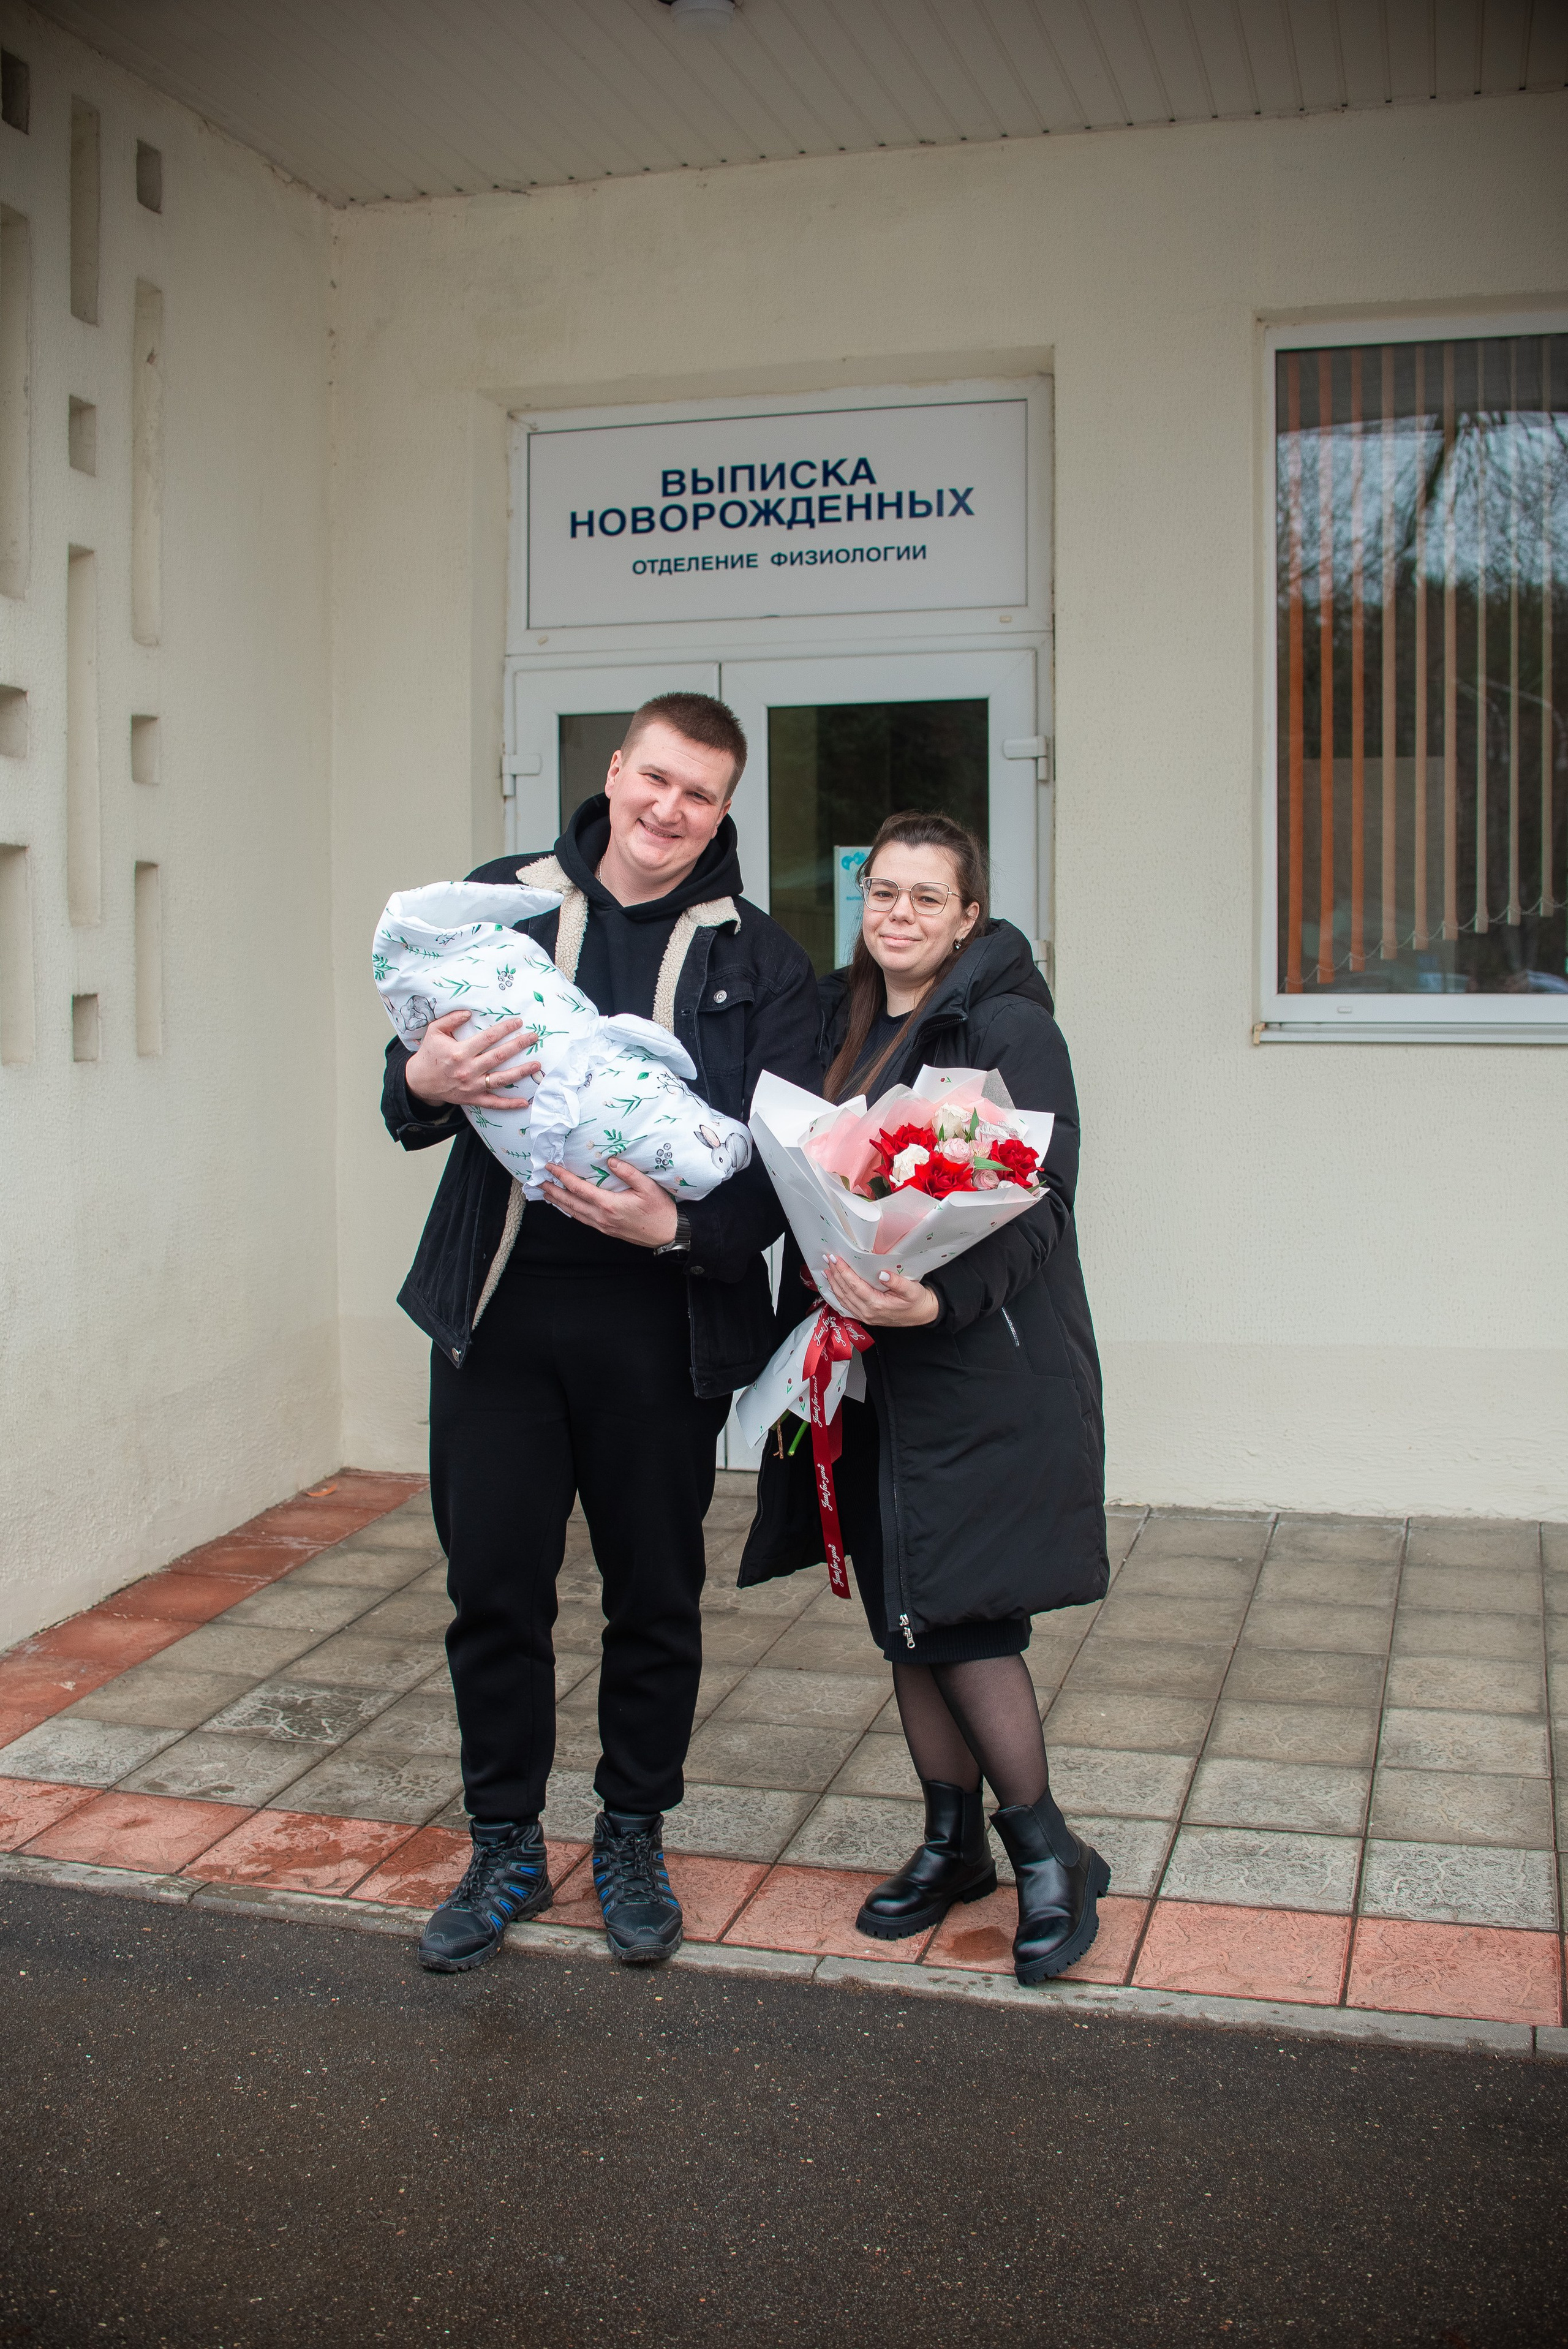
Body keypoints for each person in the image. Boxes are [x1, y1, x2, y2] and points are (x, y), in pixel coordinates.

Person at [382, 693, 818, 1972]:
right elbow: (406, 1080)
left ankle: (630, 1831)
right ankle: (504, 1840)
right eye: (655, 778)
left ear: (722, 811)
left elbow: (782, 1171)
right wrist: (422, 1083)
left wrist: (675, 1236)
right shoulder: (497, 901)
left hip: (658, 1327)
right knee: (494, 1593)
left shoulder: (765, 961)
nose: (667, 810)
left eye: (699, 795)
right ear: (614, 770)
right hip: (498, 1319)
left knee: (654, 1595)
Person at [738, 810, 1110, 1985]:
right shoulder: (850, 1022)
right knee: (905, 1609)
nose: (897, 915)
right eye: (881, 894)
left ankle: (1050, 1854)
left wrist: (937, 1307)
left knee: (968, 1615)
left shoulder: (1007, 1026)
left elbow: (1040, 1202)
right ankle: (952, 1845)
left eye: (923, 898)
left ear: (967, 916)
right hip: (868, 1365)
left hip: (972, 1364)